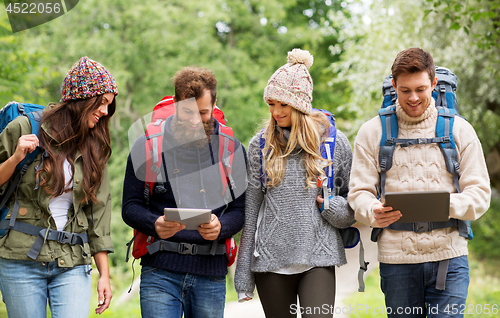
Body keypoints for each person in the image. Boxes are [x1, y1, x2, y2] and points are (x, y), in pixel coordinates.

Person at [348, 48, 491, 317]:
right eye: (405, 90)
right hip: (397, 261)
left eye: (421, 89)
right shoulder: (372, 132)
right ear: (394, 86)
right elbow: (359, 192)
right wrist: (371, 211)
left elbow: (481, 194)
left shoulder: (460, 130)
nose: (413, 98)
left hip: (449, 257)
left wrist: (443, 204)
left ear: (434, 84)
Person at [234, 48, 355, 318]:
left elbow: (356, 200)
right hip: (270, 263)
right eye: (271, 104)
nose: (276, 112)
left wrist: (335, 209)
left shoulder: (334, 144)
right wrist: (244, 273)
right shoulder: (260, 146)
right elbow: (251, 211)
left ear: (300, 105)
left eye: (283, 104)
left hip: (318, 259)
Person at [122, 66, 247, 318]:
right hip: (159, 270)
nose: (194, 121)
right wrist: (154, 224)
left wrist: (221, 227)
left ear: (214, 106)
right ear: (176, 103)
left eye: (202, 113)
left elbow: (241, 209)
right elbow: (130, 206)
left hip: (210, 273)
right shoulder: (148, 145)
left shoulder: (231, 148)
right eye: (187, 112)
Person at [0, 56, 118, 317]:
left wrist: (104, 276)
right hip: (20, 258)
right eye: (102, 103)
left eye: (110, 105)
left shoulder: (95, 146)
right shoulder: (23, 127)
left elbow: (98, 215)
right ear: (81, 99)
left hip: (73, 260)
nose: (106, 112)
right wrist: (16, 157)